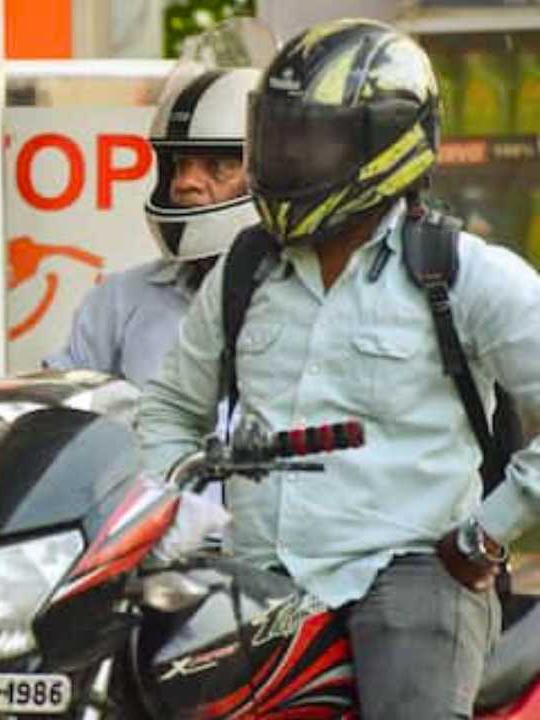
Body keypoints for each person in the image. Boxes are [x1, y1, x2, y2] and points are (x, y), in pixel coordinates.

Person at [137, 19, 540, 718]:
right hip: (254, 578)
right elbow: (170, 407)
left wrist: (484, 536)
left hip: (411, 574)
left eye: (310, 140)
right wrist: (183, 514)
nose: (285, 158)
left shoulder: (462, 273)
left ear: (386, 145)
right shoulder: (244, 269)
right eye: (277, 137)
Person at [44, 66, 261, 387]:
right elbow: (61, 398)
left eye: (218, 166)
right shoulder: (119, 298)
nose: (185, 183)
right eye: (180, 164)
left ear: (267, 173)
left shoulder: (301, 298)